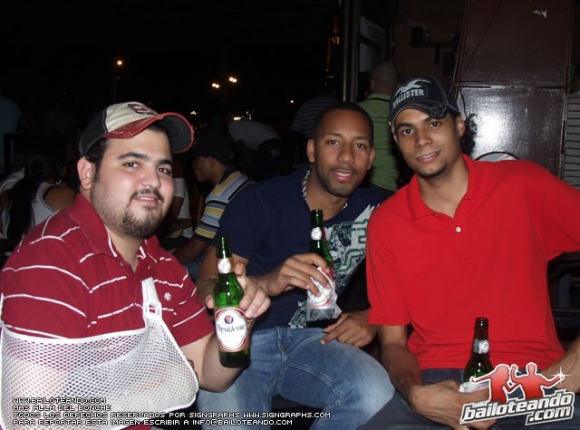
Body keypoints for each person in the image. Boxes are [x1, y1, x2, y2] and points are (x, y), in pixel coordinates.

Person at [0, 101, 269, 425]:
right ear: (88, 173)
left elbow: (210, 374)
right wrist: (155, 386)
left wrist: (239, 320)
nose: (152, 180)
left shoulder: (162, 265)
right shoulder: (52, 261)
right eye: (131, 163)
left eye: (163, 169)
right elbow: (29, 417)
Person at [360, 76, 580, 429]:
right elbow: (393, 343)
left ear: (459, 126)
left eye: (433, 123)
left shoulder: (522, 185)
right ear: (395, 140)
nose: (421, 140)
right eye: (407, 130)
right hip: (437, 382)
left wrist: (575, 362)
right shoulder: (387, 222)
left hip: (531, 377)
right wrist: (415, 393)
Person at [194, 102, 394, 430]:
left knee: (376, 393)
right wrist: (265, 282)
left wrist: (375, 316)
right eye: (333, 142)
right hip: (243, 341)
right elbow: (205, 282)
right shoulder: (261, 200)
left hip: (315, 343)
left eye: (359, 146)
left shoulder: (379, 210)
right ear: (312, 150)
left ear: (371, 158)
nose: (347, 157)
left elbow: (424, 276)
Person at [172, 129, 253, 280]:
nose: (194, 166)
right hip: (247, 253)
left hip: (235, 263)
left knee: (172, 270)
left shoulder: (221, 195)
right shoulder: (242, 180)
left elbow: (195, 249)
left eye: (196, 160)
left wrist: (165, 264)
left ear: (210, 161)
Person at [1, 142, 76, 249]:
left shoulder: (7, 195)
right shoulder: (63, 195)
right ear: (61, 168)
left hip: (11, 257)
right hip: (44, 257)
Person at [358, 61, 400, 198]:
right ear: (397, 86)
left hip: (359, 184)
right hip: (390, 187)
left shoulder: (355, 113)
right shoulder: (401, 114)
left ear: (372, 84)